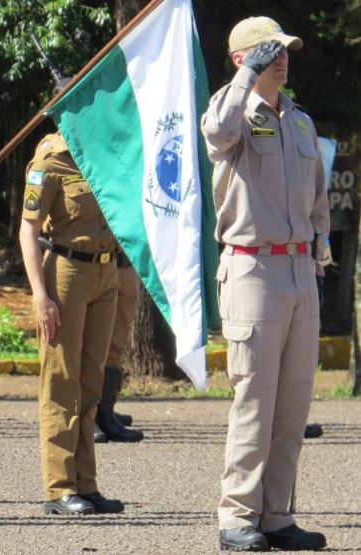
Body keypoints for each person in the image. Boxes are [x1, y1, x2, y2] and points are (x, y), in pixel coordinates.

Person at [201, 17, 329, 552]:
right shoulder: (229, 110)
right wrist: (244, 80)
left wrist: (320, 248)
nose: (281, 56)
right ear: (241, 58)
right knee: (254, 401)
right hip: (253, 270)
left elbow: (317, 197)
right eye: (268, 50)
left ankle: (275, 515)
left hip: (300, 271)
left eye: (284, 49)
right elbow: (216, 134)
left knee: (293, 406)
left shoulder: (299, 121)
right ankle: (237, 516)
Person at [18, 132, 125, 516]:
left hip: (106, 272)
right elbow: (28, 229)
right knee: (62, 381)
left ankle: (86, 483)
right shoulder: (49, 161)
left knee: (91, 380)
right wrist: (40, 295)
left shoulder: (106, 150)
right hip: (66, 273)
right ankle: (60, 487)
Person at [95, 252, 144, 443]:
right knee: (92, 347)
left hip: (127, 262)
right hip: (97, 265)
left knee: (117, 345)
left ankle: (105, 411)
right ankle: (88, 416)